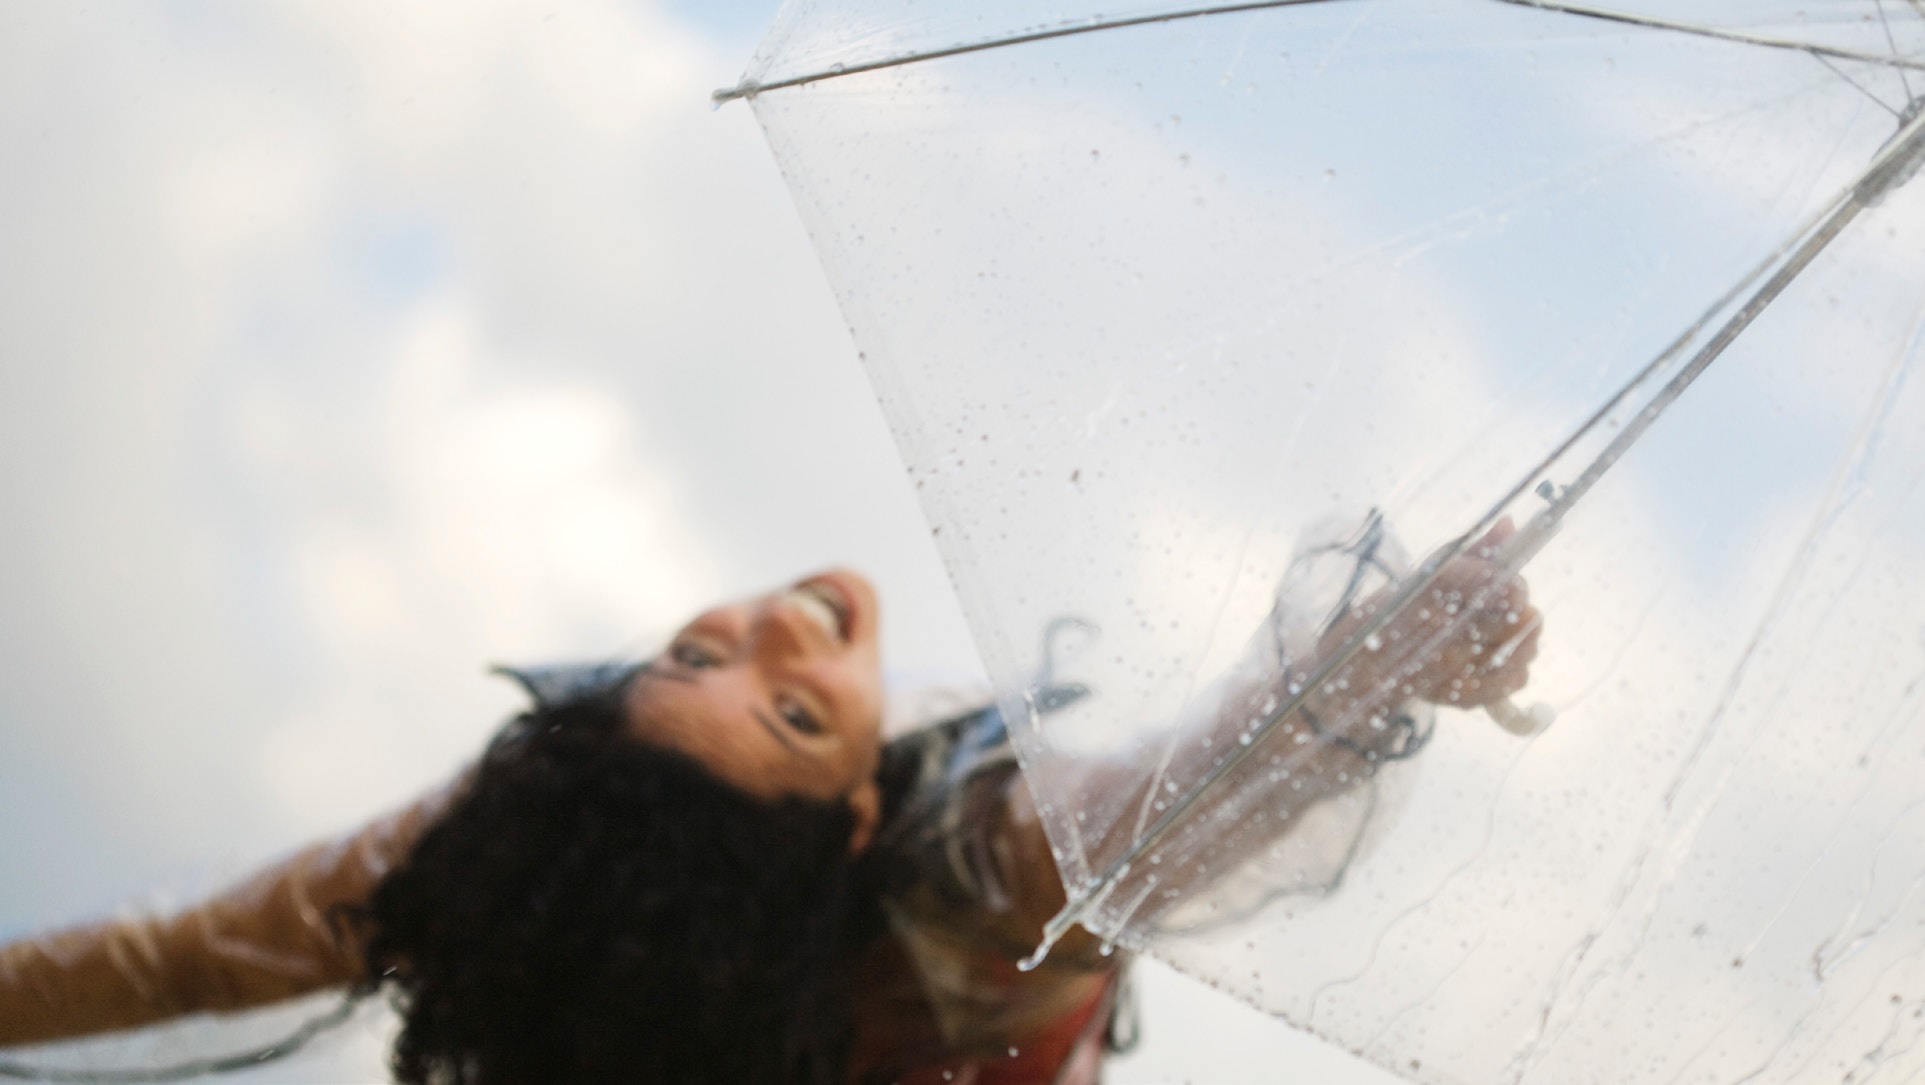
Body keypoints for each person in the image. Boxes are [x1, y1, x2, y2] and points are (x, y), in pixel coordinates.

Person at [0, 522, 1541, 1084]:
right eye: (794, 713)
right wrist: (1367, 665)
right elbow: (1152, 819)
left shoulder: (561, 813)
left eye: (691, 657)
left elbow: (178, 950)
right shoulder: (978, 880)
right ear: (852, 819)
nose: (773, 630)